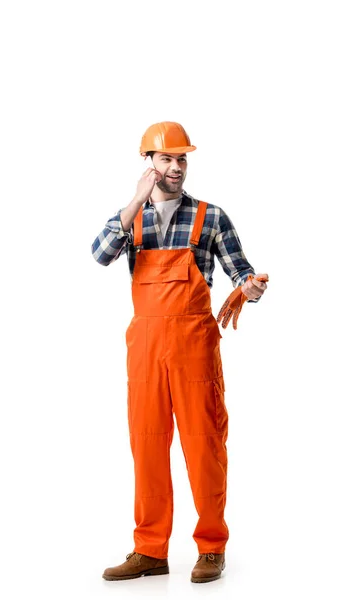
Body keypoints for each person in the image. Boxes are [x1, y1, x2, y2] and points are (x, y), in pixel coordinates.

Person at [91, 121, 268, 583]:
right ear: (148, 162)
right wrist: (134, 201)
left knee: (204, 447)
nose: (175, 167)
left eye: (181, 159)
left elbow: (241, 273)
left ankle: (211, 546)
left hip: (194, 348)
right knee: (147, 447)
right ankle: (150, 549)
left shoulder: (211, 216)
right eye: (166, 158)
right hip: (145, 350)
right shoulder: (131, 220)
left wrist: (249, 289)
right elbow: (99, 253)